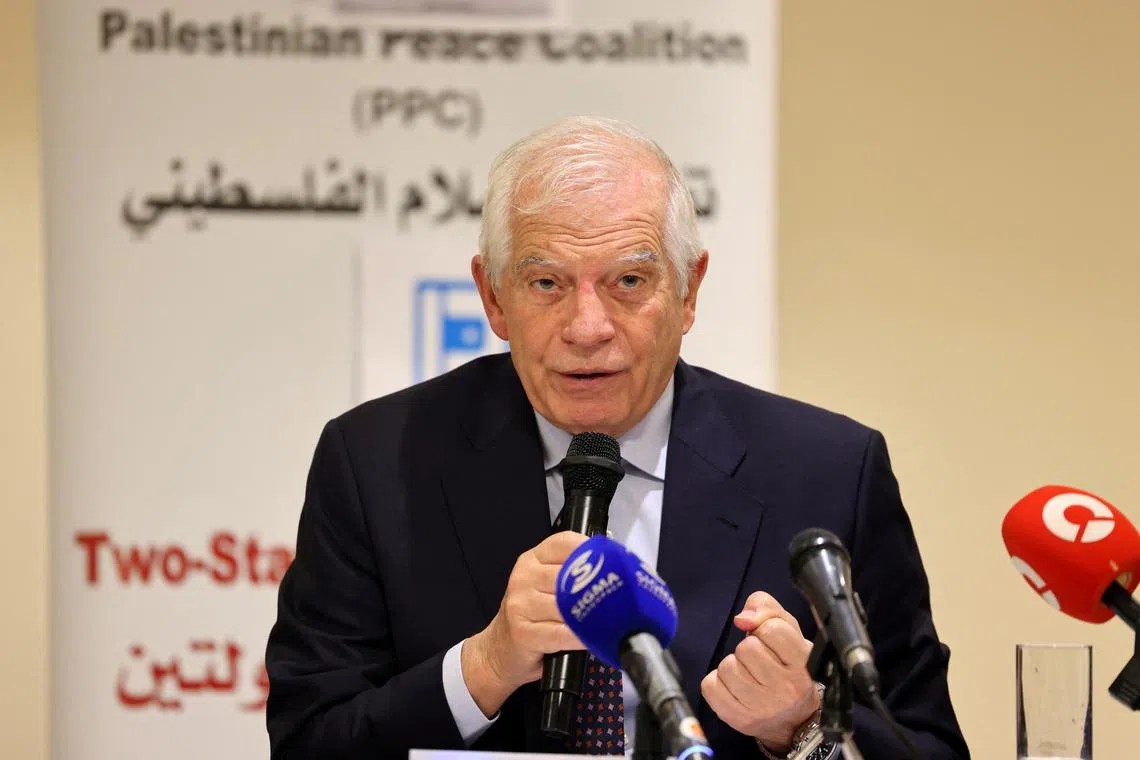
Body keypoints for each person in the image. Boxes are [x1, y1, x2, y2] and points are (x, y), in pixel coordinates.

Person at [265, 116, 970, 759]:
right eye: (546, 283)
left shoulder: (827, 474)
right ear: (492, 298)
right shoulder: (375, 464)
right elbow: (308, 744)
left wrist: (807, 722)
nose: (588, 327)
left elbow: (930, 746)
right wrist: (483, 666)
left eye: (629, 280)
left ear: (689, 292)